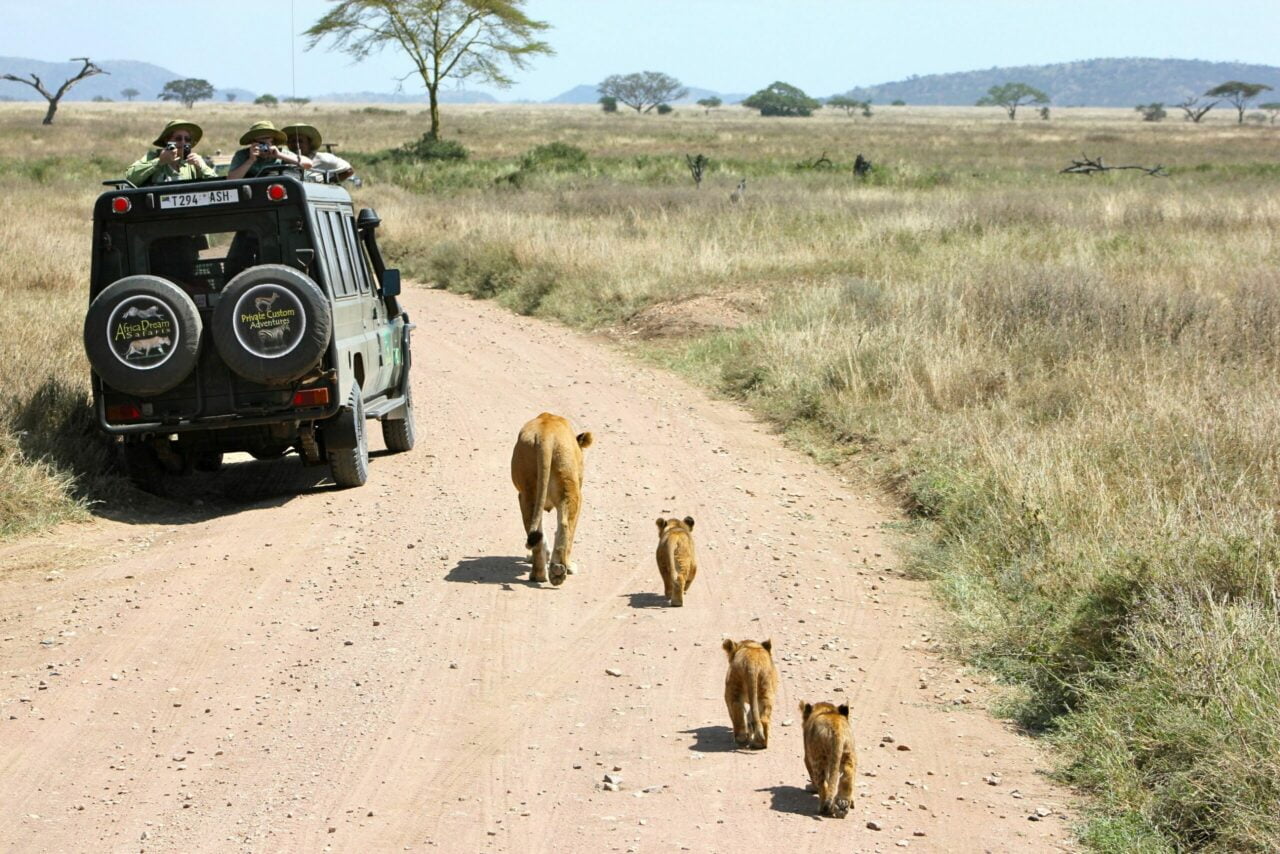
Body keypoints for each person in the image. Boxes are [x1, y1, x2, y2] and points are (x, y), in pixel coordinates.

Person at [124, 120, 216, 186]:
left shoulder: (192, 163)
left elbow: (216, 185)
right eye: (178, 138)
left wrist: (202, 167)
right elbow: (130, 178)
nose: (183, 142)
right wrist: (159, 161)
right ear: (167, 140)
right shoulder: (153, 157)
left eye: (187, 139)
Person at [227, 120, 312, 180]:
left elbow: (308, 164)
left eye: (267, 141)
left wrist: (279, 155)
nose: (264, 147)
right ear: (252, 143)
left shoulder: (281, 153)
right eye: (260, 143)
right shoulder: (242, 156)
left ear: (273, 142)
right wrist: (251, 160)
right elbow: (231, 180)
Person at [282, 123, 355, 183]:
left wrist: (327, 182)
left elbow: (349, 170)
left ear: (309, 143)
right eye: (292, 141)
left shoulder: (323, 159)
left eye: (300, 141)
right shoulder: (283, 160)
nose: (295, 144)